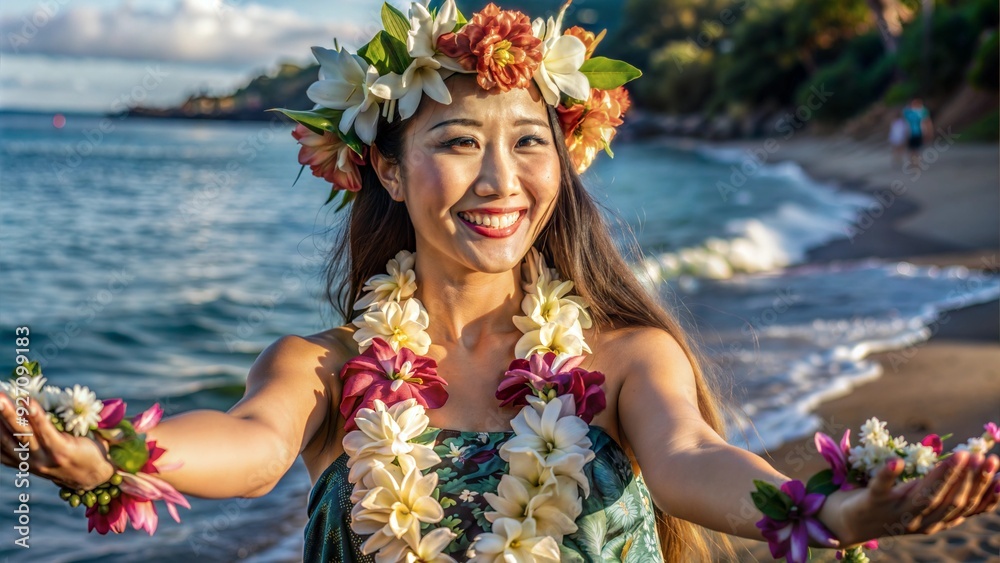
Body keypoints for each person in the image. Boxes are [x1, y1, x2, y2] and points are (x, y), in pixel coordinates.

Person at [1, 2, 998, 562]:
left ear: (563, 164)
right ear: (386, 168)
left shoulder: (622, 353)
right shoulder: (325, 365)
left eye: (529, 143)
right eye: (456, 141)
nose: (499, 180)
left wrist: (824, 506)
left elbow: (692, 455)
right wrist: (117, 454)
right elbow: (254, 444)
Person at [902, 98, 933, 166]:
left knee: (914, 149)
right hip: (912, 133)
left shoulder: (911, 113)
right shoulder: (913, 113)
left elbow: (926, 122)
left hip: (917, 133)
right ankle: (915, 162)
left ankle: (915, 162)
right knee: (914, 149)